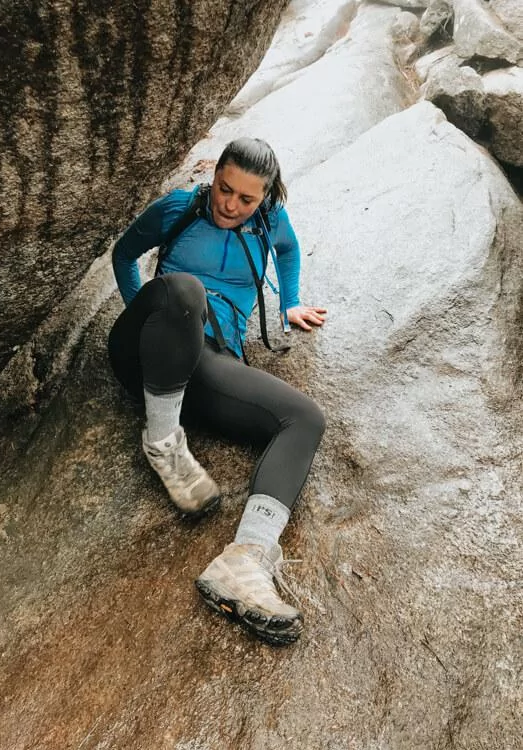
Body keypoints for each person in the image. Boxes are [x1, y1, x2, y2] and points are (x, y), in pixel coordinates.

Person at [108, 137, 326, 646]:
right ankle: (163, 442)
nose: (229, 204)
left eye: (245, 199)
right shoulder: (182, 207)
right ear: (215, 178)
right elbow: (125, 254)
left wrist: (290, 303)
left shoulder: (272, 222)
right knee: (186, 290)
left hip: (208, 361)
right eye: (224, 190)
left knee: (306, 419)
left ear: (266, 198)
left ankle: (246, 559)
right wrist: (146, 321)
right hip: (145, 346)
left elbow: (289, 250)